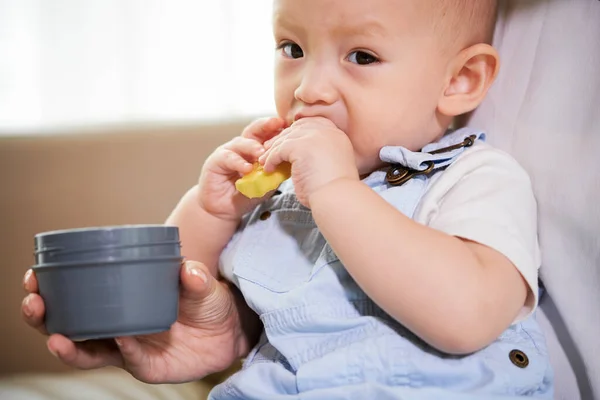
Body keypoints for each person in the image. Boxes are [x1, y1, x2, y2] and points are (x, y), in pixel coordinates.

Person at [21, 0, 554, 397]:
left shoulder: (471, 177)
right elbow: (180, 293)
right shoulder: (282, 194)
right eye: (292, 50)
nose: (308, 88)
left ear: (460, 79)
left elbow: (467, 316)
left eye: (362, 56)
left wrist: (336, 190)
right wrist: (211, 208)